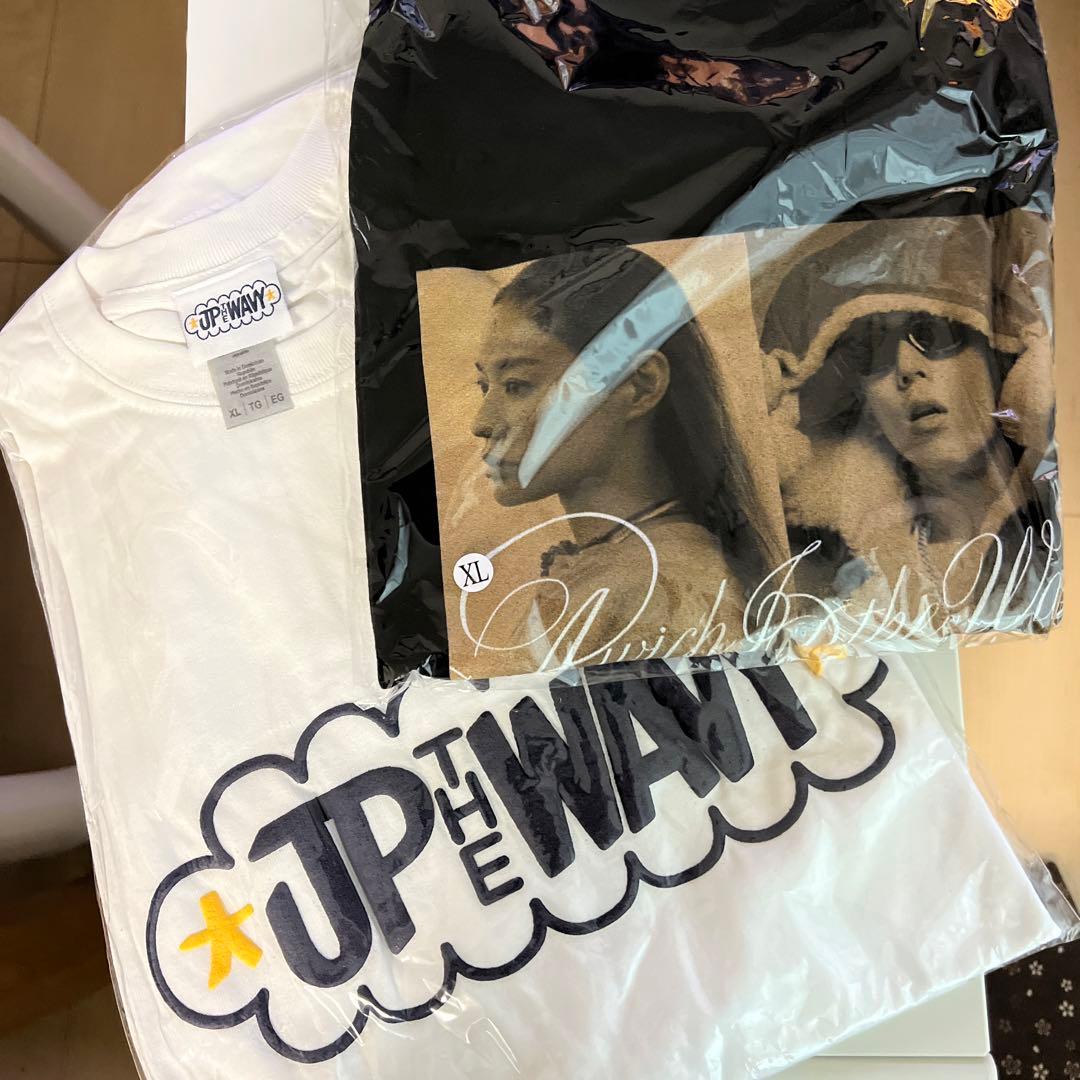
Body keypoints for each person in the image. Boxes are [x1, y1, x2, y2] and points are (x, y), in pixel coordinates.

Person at [469, 243, 781, 667]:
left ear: (639, 385)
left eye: (517, 385)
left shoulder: (655, 586)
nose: (482, 423)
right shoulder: (622, 569)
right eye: (484, 387)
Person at [754, 213, 1059, 630]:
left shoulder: (1056, 532)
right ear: (869, 410)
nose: (905, 368)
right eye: (874, 356)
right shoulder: (829, 564)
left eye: (932, 335)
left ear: (1004, 363)